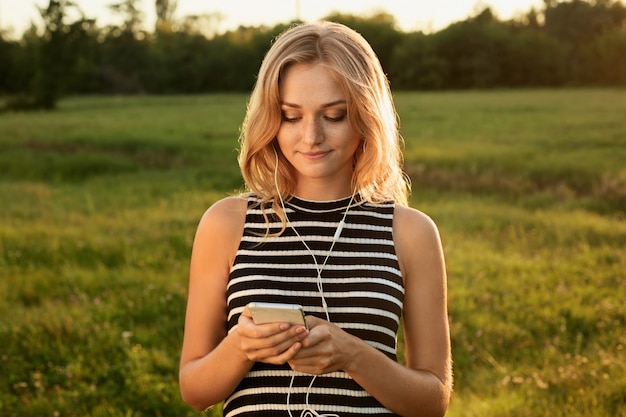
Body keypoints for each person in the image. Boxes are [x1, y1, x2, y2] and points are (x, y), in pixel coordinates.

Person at [179, 21, 452, 417]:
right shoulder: (226, 224)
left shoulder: (410, 232)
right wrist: (240, 346)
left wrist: (353, 355)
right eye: (292, 116)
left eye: (334, 115)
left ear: (364, 116)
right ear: (272, 120)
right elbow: (194, 390)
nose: (311, 136)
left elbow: (433, 401)